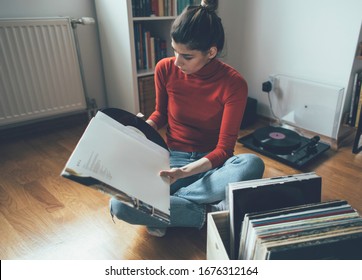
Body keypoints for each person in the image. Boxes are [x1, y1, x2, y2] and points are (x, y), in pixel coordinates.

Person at [110, 0, 265, 237]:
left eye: (187, 56)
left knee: (252, 164)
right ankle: (206, 211)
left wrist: (183, 174)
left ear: (211, 52)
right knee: (119, 204)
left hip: (211, 163)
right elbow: (160, 114)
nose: (177, 61)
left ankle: (166, 208)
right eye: (174, 51)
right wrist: (141, 129)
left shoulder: (234, 84)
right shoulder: (165, 69)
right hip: (171, 158)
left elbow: (224, 150)